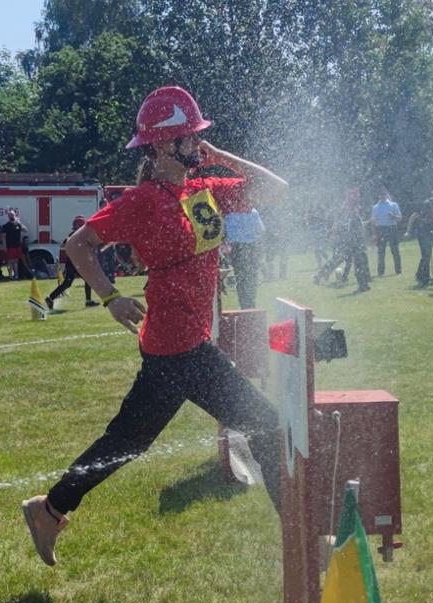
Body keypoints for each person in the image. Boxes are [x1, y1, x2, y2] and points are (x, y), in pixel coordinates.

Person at [21, 86, 288, 566]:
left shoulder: (202, 191)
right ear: (166, 145)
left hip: (183, 345)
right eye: (191, 137)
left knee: (128, 441)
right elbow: (78, 245)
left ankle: (50, 508)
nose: (198, 144)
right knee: (266, 428)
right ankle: (305, 543)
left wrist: (221, 155)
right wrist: (109, 297)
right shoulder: (141, 201)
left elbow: (276, 189)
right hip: (176, 348)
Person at [46, 216, 98, 309]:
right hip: (77, 261)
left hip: (71, 261)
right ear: (79, 225)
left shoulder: (71, 234)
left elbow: (64, 246)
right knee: (88, 279)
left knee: (67, 283)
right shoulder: (79, 235)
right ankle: (88, 301)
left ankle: (50, 298)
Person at [223, 207, 263, 309]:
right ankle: (251, 302)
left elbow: (225, 232)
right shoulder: (253, 211)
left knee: (240, 277)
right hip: (251, 247)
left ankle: (244, 304)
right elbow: (260, 230)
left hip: (236, 248)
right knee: (252, 276)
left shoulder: (229, 213)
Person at [408, 187, 433, 287]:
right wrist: (408, 230)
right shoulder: (427, 203)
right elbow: (414, 215)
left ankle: (420, 274)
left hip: (430, 231)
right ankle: (424, 278)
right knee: (426, 254)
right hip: (423, 232)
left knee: (427, 254)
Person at [370, 190, 403, 276]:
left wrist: (393, 216)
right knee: (381, 251)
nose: (383, 196)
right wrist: (374, 232)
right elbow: (373, 222)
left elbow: (399, 219)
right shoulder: (375, 207)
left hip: (392, 228)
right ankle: (381, 272)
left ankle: (398, 270)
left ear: (387, 195)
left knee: (395, 250)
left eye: (384, 194)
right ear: (379, 196)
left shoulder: (394, 205)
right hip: (380, 229)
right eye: (381, 195)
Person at [2, 210, 29, 279]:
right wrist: (4, 246)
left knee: (16, 261)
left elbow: (26, 230)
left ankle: (16, 275)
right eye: (10, 215)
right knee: (10, 262)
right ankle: (10, 275)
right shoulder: (6, 226)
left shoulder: (18, 224)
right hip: (9, 246)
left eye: (13, 215)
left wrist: (20, 223)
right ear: (8, 216)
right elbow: (3, 237)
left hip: (17, 246)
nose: (12, 216)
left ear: (15, 216)